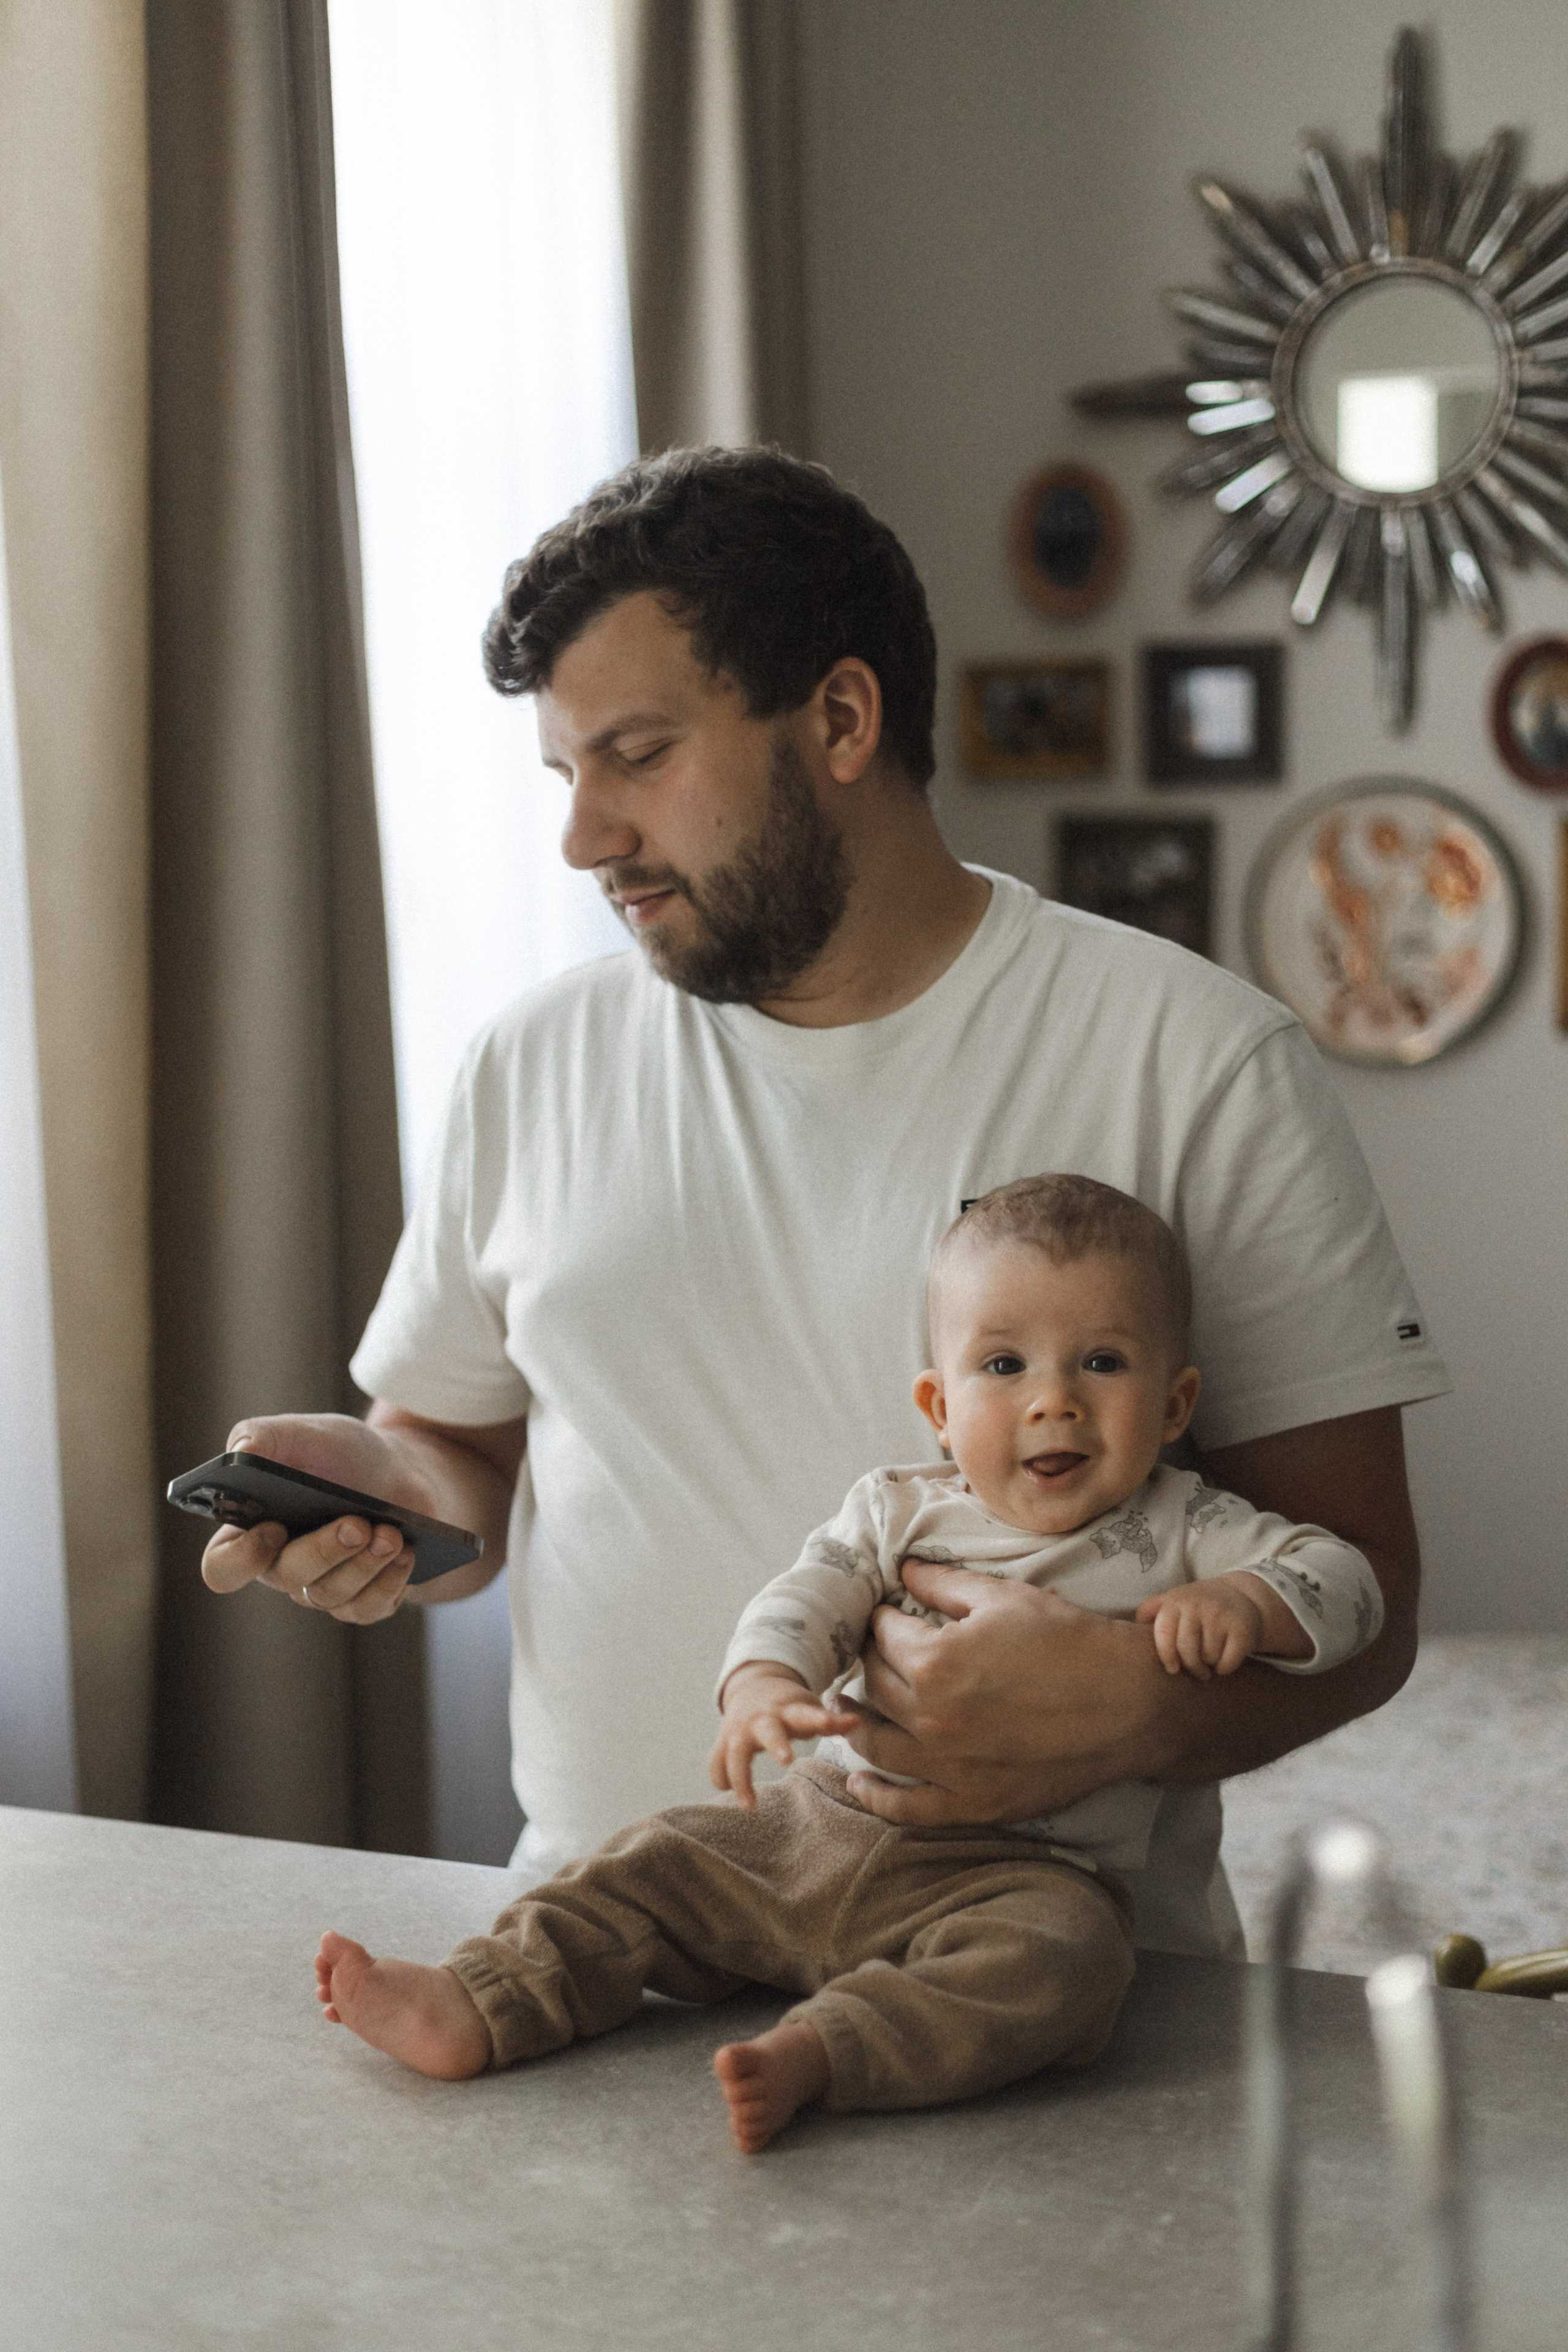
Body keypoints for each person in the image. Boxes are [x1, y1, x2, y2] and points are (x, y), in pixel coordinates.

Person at [202, 445, 1448, 1958]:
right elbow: (458, 1449)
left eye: (636, 755)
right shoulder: (528, 1064)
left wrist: (1132, 1712)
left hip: (1048, 2012)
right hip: (599, 1965)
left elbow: (1361, 1583)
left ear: (841, 719)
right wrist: (384, 1499)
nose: (583, 836)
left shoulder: (1196, 1058)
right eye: (564, 773)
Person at [311, 1177, 1383, 2152]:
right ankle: (484, 2000)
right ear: (939, 1405)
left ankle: (831, 2051)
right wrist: (763, 1685)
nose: (1054, 1400)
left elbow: (1349, 1580)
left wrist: (1249, 1600)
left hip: (1026, 1876)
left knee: (1071, 1968)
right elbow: (804, 1601)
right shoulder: (895, 1507)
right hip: (817, 1830)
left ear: (1177, 1403)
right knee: (651, 1858)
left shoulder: (1191, 1525)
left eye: (1102, 1362)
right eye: (1004, 1366)